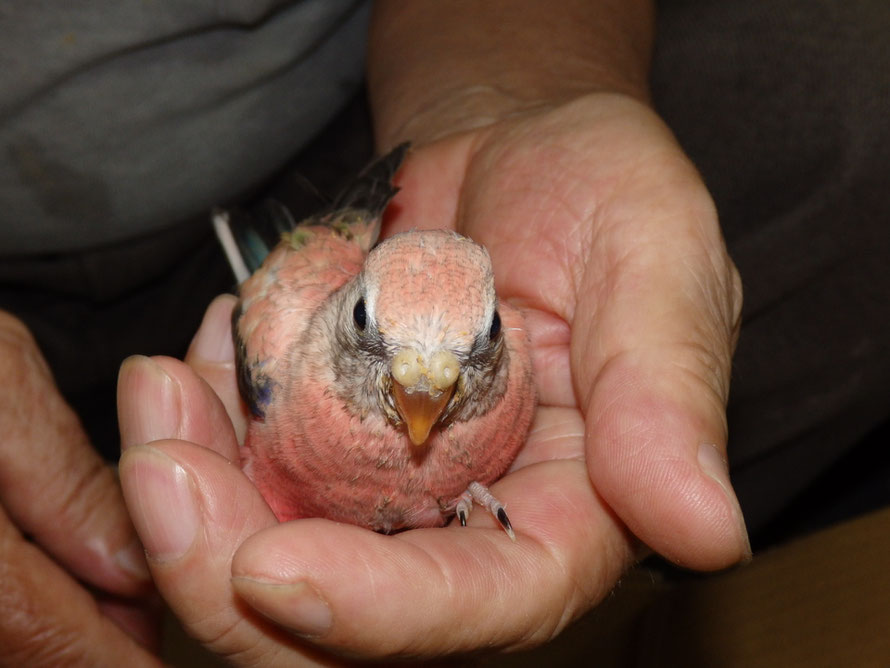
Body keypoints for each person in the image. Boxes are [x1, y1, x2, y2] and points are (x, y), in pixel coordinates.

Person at [2, 1, 887, 664]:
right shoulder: (279, 348)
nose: (424, 396)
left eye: (479, 352)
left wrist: (509, 96)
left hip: (367, 91)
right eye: (374, 338)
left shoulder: (510, 378)